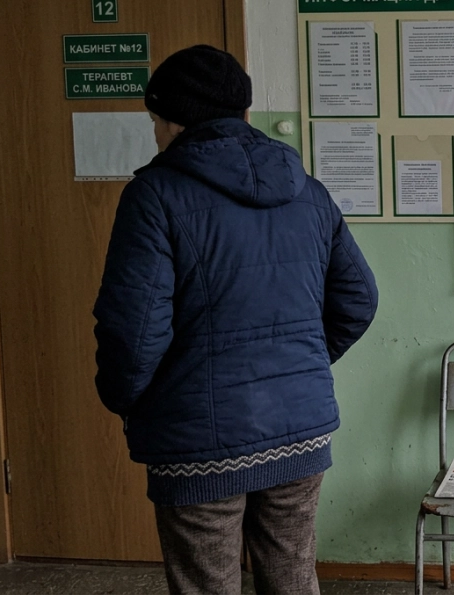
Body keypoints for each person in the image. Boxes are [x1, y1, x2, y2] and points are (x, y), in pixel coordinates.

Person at [93, 44, 378, 594]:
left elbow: (132, 332)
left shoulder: (153, 195)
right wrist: (298, 364)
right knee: (293, 577)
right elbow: (358, 300)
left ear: (175, 121)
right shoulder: (309, 193)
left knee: (206, 584)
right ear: (243, 115)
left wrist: (129, 398)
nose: (154, 134)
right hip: (299, 429)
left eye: (154, 120)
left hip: (197, 440)